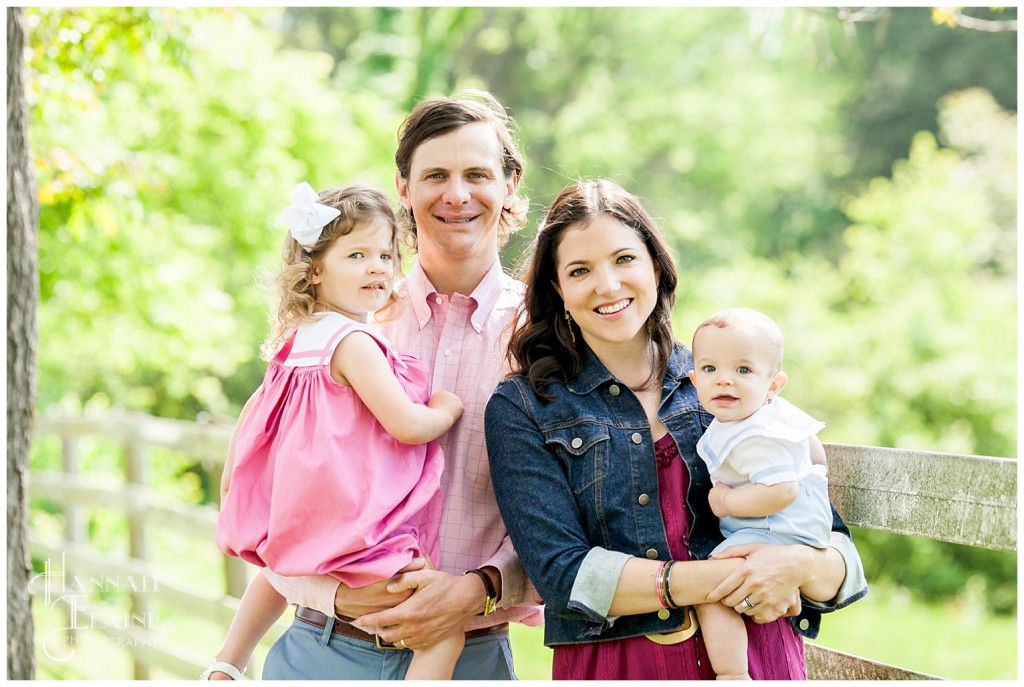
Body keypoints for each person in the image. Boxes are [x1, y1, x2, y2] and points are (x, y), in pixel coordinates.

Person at [484, 179, 867, 680]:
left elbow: (837, 550)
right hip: (616, 664)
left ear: (656, 267)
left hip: (754, 661)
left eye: (624, 260)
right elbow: (563, 574)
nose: (608, 285)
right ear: (558, 290)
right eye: (580, 270)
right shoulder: (524, 407)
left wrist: (797, 568)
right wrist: (725, 577)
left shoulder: (725, 383)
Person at [256, 91, 544, 680]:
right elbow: (271, 506)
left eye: (478, 174)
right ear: (404, 187)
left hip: (470, 658)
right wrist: (331, 597)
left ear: (510, 185)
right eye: (436, 174)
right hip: (324, 651)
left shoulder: (547, 339)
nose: (456, 194)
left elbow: (572, 522)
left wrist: (482, 589)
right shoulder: (337, 327)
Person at [202, 182, 467, 681]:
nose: (377, 267)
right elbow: (407, 426)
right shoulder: (355, 341)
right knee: (445, 629)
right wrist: (445, 409)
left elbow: (252, 431)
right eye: (357, 254)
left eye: (387, 255)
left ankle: (228, 663)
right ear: (315, 268)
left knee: (279, 575)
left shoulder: (292, 343)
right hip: (357, 522)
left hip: (306, 514)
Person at [687, 307, 833, 680]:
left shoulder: (755, 436)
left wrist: (726, 502)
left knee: (711, 587)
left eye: (743, 370)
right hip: (797, 525)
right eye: (709, 370)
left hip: (776, 528)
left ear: (773, 384)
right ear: (693, 379)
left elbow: (781, 490)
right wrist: (814, 473)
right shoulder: (771, 416)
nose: (724, 381)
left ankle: (732, 672)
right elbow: (814, 451)